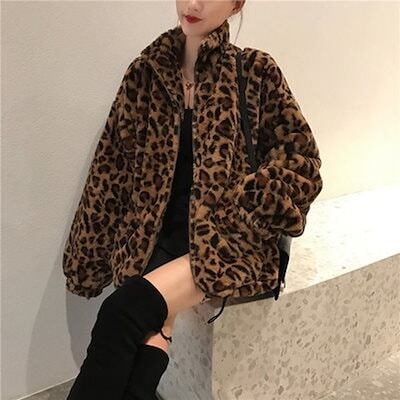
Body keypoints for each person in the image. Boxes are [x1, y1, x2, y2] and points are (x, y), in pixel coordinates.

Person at [63, 1, 324, 399]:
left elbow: (302, 164)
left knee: (122, 313)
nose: (193, 3)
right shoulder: (146, 74)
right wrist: (87, 258)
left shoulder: (255, 72)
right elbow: (110, 171)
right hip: (155, 240)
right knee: (149, 339)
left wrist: (241, 208)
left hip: (227, 244)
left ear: (236, 4)